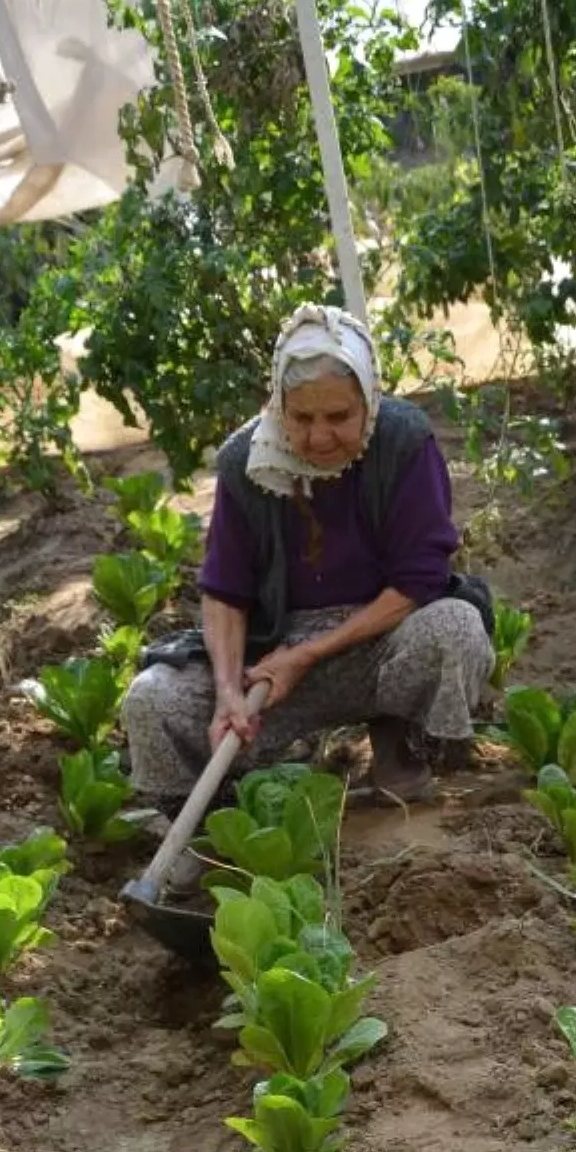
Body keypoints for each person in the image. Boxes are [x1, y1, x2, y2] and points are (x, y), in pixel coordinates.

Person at [123, 303, 495, 818]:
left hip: (381, 639)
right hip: (272, 656)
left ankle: (403, 744)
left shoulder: (404, 441)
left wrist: (310, 656)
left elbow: (419, 581)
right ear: (278, 407)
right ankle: (209, 808)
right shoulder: (244, 461)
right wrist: (231, 691)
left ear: (368, 400)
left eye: (339, 416)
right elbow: (225, 592)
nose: (320, 437)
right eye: (301, 418)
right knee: (152, 699)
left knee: (457, 626)